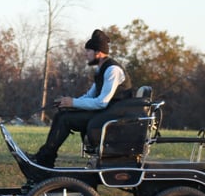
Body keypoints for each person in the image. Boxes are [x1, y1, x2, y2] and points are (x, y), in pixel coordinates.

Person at [32, 29, 132, 168]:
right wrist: (69, 104)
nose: (86, 55)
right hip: (104, 113)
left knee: (64, 119)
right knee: (63, 115)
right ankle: (44, 157)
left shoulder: (112, 70)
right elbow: (89, 96)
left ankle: (45, 160)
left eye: (88, 51)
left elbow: (102, 102)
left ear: (98, 52)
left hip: (111, 116)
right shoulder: (101, 70)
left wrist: (73, 102)